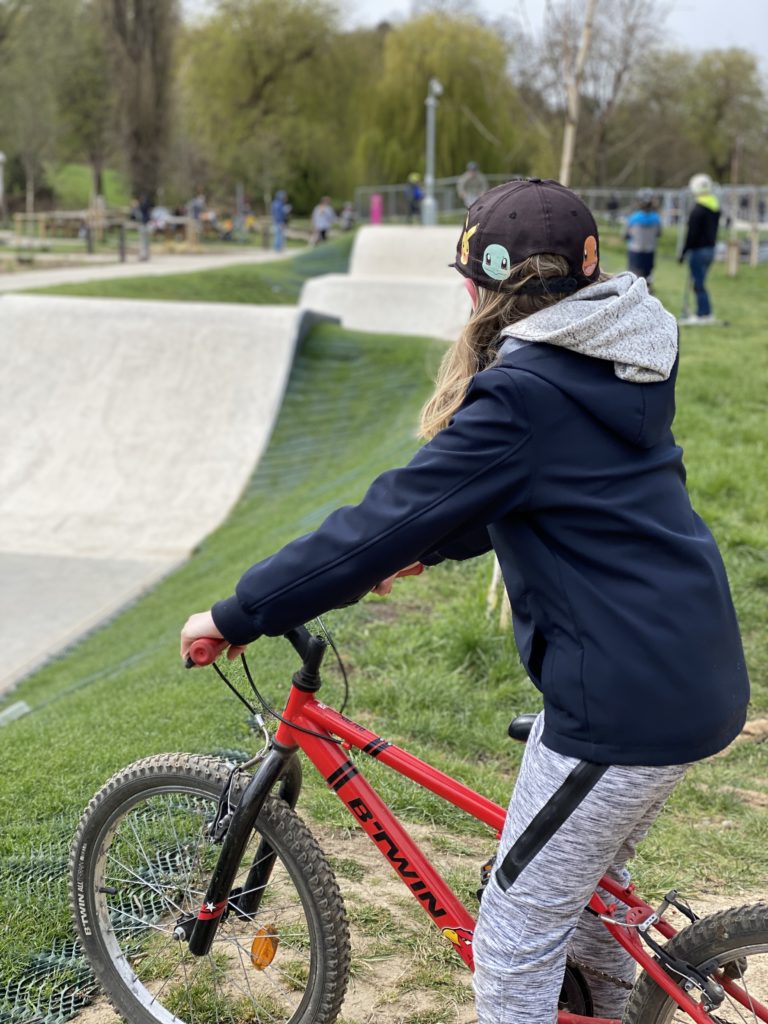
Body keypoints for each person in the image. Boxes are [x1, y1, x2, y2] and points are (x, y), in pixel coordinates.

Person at [180, 178, 749, 1024]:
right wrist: (434, 547)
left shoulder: (524, 395)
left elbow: (379, 521)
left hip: (623, 704)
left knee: (515, 931)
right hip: (692, 664)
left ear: (483, 289)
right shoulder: (621, 355)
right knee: (589, 898)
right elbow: (561, 492)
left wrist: (238, 612)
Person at [679, 173, 721, 324]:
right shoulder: (715, 207)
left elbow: (692, 234)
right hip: (710, 249)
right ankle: (704, 312)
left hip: (698, 250)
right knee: (701, 282)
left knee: (699, 283)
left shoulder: (697, 210)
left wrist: (683, 252)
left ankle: (704, 313)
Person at [624, 188, 662, 288]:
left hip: (635, 250)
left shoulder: (633, 218)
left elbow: (626, 234)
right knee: (647, 274)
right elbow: (659, 233)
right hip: (650, 250)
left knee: (634, 275)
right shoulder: (656, 218)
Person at [130, 194, 152, 261]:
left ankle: (144, 255)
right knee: (144, 241)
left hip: (143, 225)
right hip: (144, 225)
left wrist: (135, 207)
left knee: (143, 242)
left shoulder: (141, 207)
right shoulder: (143, 207)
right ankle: (145, 255)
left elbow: (135, 217)